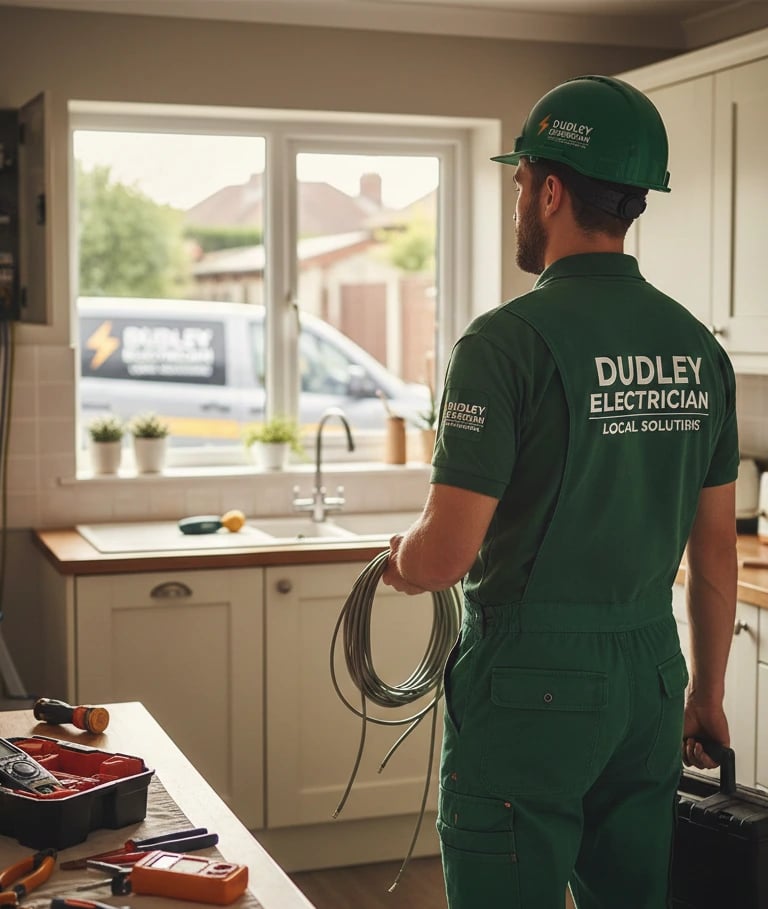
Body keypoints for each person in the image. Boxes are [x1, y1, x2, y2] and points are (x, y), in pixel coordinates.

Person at [382, 74, 738, 909]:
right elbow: (714, 552)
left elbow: (445, 555)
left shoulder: (503, 344)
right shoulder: (697, 348)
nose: (516, 201)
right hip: (650, 682)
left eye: (519, 182)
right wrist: (706, 697)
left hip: (529, 688)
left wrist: (396, 562)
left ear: (549, 189)